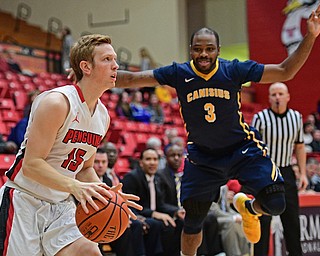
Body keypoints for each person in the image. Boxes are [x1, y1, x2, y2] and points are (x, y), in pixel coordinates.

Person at [112, 7, 320, 255]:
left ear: (218, 51)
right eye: (198, 48)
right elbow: (133, 80)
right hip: (203, 157)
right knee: (193, 222)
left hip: (241, 149)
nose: (203, 53)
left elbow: (286, 71)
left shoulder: (233, 70)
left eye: (209, 48)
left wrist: (311, 35)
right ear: (191, 50)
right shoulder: (179, 73)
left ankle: (249, 208)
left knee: (276, 203)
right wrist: (92, 75)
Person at [0, 34, 142, 256]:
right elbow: (32, 165)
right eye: (106, 59)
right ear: (86, 66)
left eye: (115, 59)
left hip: (61, 203)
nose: (116, 65)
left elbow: (85, 168)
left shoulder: (102, 116)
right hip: (24, 199)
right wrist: (75, 187)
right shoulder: (57, 102)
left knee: (90, 252)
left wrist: (107, 195)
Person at [251, 82, 308, 256]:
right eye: (274, 94)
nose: (277, 97)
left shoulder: (296, 118)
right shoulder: (260, 118)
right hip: (265, 173)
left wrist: (303, 173)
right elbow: (252, 147)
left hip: (286, 172)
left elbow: (299, 146)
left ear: (287, 97)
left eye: (280, 94)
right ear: (269, 98)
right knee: (264, 221)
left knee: (292, 223)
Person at [122, 148, 181, 256]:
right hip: (139, 216)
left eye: (155, 159)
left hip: (151, 215)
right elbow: (131, 206)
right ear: (141, 162)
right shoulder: (132, 177)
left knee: (175, 223)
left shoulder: (157, 178)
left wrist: (176, 211)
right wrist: (153, 214)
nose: (152, 162)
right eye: (148, 159)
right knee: (155, 224)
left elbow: (161, 204)